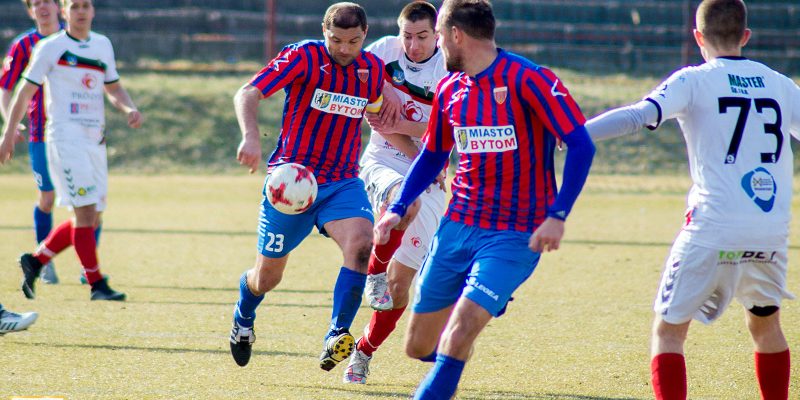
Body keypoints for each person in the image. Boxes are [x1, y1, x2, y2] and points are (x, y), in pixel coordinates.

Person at [375, 1, 595, 398]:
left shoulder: (529, 79)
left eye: (438, 36)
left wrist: (558, 215)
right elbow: (433, 154)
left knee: (459, 331)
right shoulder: (449, 88)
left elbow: (581, 145)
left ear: (456, 35)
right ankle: (465, 331)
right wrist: (398, 205)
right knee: (419, 345)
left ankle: (480, 305)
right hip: (457, 227)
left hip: (515, 233)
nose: (438, 46)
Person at [584, 1, 795, 399]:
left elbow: (637, 115)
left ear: (697, 37)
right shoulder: (780, 84)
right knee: (765, 325)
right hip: (770, 231)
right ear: (746, 35)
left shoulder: (693, 80)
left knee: (668, 332)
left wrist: (575, 134)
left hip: (712, 228)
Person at [229, 2, 385, 371]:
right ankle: (243, 315)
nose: (345, 49)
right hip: (291, 184)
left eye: (353, 41)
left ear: (365, 35)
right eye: (336, 40)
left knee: (362, 245)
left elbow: (379, 113)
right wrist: (251, 138)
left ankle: (336, 333)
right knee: (266, 278)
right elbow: (248, 93)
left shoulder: (372, 68)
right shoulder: (304, 56)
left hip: (342, 180)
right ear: (323, 31)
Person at [0, 0, 143, 302]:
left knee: (93, 215)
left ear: (93, 12)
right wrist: (8, 132)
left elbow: (113, 87)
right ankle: (96, 284)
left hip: (96, 140)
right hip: (65, 138)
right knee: (85, 211)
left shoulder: (102, 44)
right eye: (74, 6)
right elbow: (24, 92)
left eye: (85, 6)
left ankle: (36, 260)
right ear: (64, 12)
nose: (80, 11)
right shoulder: (50, 47)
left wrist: (128, 107)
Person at [342, 1, 448, 384]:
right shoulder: (381, 53)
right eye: (407, 35)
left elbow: (448, 130)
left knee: (400, 288)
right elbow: (373, 119)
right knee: (403, 200)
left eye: (422, 37)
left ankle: (363, 352)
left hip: (432, 172)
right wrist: (411, 138)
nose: (413, 45)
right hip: (383, 159)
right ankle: (372, 275)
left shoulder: (449, 66)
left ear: (436, 34)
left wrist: (404, 123)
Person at [1, 0, 63, 285]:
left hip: (74, 134)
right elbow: (6, 88)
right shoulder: (24, 45)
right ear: (30, 11)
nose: (43, 7)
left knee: (88, 203)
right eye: (36, 3)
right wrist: (10, 123)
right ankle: (43, 261)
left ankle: (90, 269)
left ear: (59, 6)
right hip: (40, 133)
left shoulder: (75, 41)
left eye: (47, 1)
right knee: (48, 198)